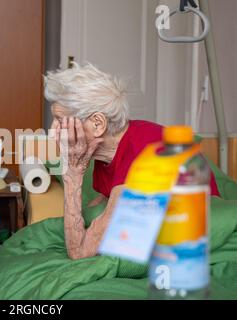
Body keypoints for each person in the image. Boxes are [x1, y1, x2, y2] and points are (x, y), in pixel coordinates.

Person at [44, 62, 220, 260]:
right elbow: (99, 209)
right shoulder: (108, 151)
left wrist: (73, 176)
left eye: (60, 121)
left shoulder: (140, 155)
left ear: (98, 123)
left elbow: (80, 253)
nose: (52, 133)